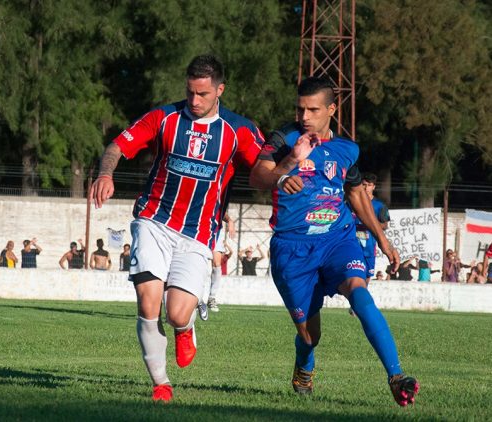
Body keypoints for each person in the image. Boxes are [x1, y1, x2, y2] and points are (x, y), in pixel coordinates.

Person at [89, 54, 264, 402]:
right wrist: (106, 173)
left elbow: (264, 169)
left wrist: (290, 169)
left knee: (177, 313)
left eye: (203, 94)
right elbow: (117, 145)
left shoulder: (239, 130)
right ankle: (161, 384)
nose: (194, 101)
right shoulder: (164, 117)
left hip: (199, 233)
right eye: (190, 92)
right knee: (148, 302)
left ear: (220, 90)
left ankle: (185, 327)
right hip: (153, 221)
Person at [249, 76, 418, 406]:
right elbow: (257, 176)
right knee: (310, 335)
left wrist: (382, 239)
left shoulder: (346, 149)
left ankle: (397, 376)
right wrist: (286, 168)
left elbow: (355, 193)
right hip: (292, 248)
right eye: (300, 109)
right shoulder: (284, 139)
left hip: (337, 240)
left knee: (358, 289)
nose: (304, 117)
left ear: (331, 109)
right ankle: (304, 363)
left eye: (313, 110)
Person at [354, 172, 390, 283]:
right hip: (352, 245)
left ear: (373, 187)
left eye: (369, 185)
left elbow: (384, 225)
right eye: (364, 185)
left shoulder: (379, 205)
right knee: (352, 276)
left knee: (366, 277)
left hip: (369, 248)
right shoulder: (352, 202)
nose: (366, 188)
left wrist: (369, 223)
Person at [202, 214, 236, 317]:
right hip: (201, 228)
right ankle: (198, 297)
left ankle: (211, 297)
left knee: (217, 264)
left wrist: (230, 220)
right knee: (201, 263)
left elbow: (221, 210)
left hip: (216, 231)